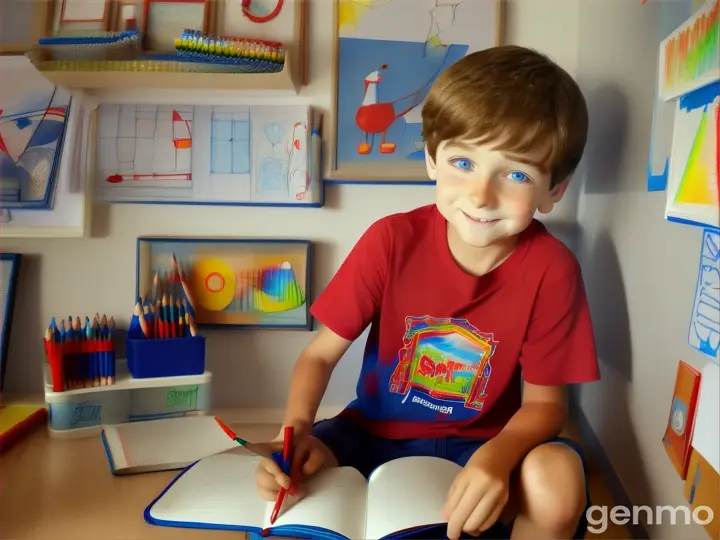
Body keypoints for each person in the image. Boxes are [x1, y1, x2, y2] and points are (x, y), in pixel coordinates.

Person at [255, 44, 600, 540]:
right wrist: (295, 431)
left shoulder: (553, 269)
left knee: (559, 482)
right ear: (433, 160)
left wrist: (496, 458)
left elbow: (546, 406)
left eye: (517, 173)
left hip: (487, 443)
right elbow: (319, 357)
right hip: (371, 435)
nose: (482, 194)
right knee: (291, 485)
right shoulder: (390, 240)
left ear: (555, 191)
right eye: (464, 163)